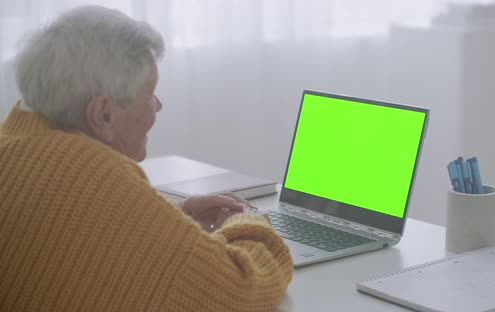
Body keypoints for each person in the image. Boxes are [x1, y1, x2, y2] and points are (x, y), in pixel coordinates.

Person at [0, 5, 292, 311]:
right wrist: (249, 222)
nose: (159, 105)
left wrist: (170, 218)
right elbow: (241, 291)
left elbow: (81, 238)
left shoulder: (14, 140)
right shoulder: (96, 177)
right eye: (150, 96)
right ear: (103, 114)